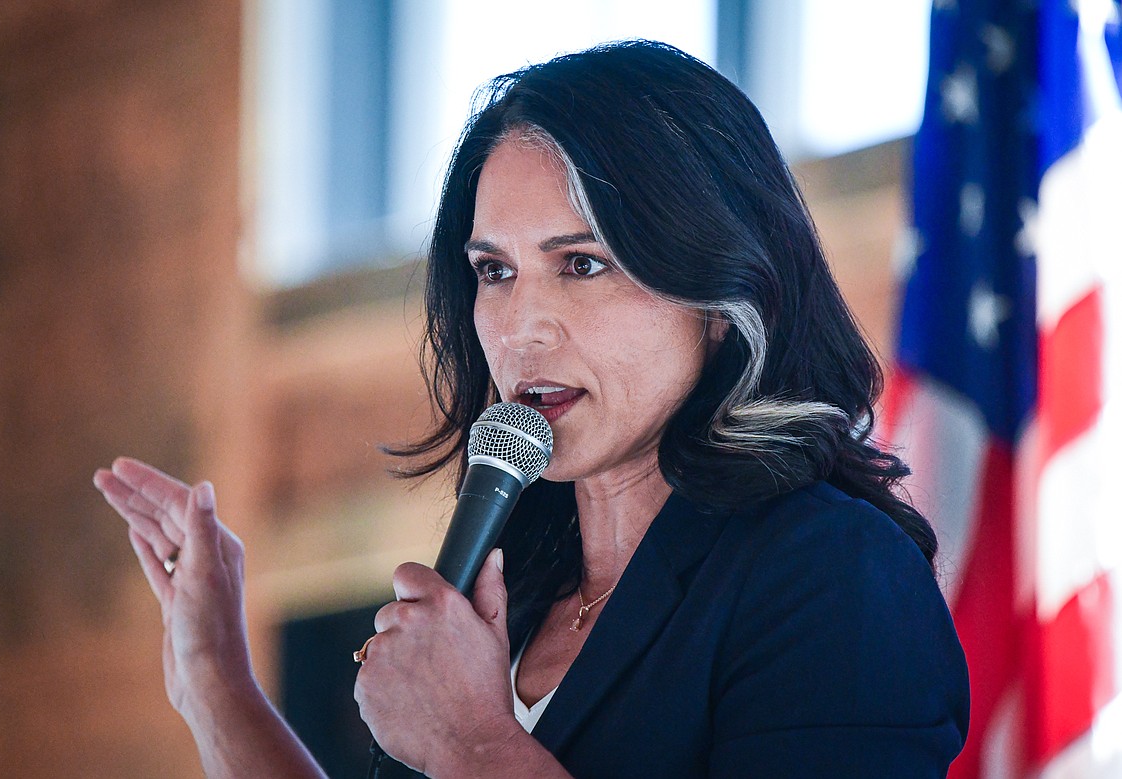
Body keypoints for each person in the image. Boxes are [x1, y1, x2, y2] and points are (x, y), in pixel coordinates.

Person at [94, 40, 969, 778]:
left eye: (581, 264)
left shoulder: (833, 573)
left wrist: (476, 744)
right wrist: (213, 679)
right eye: (494, 271)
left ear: (718, 289)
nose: (519, 328)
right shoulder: (520, 583)